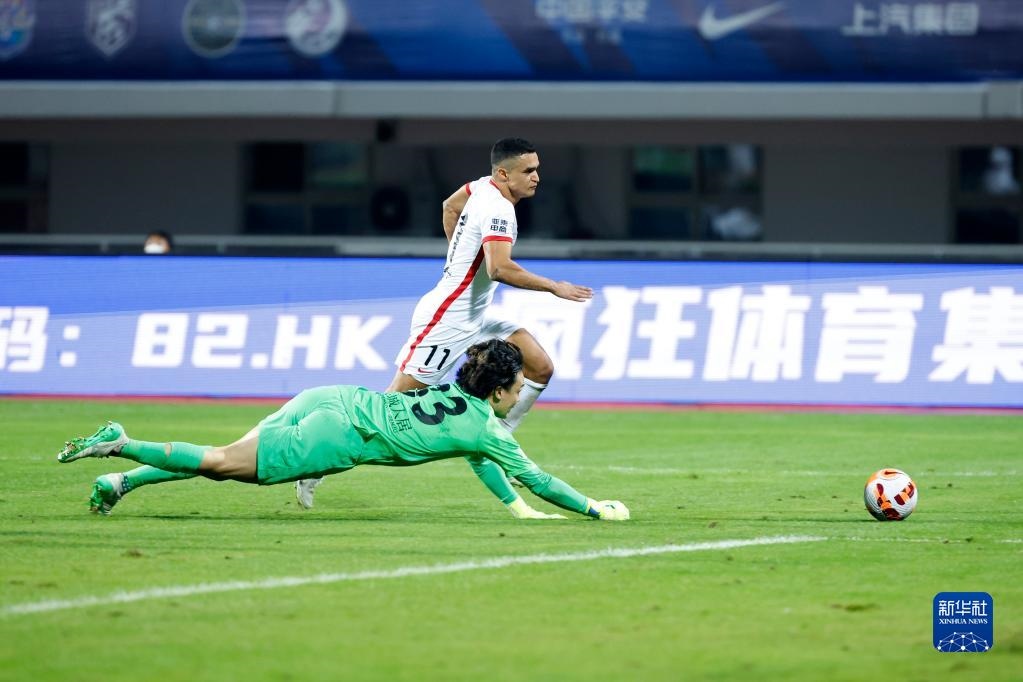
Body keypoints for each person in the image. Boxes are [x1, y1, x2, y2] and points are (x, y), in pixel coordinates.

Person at [295, 137, 594, 509]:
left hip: (476, 312)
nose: (536, 177)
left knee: (539, 365)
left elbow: (449, 206)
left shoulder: (481, 187)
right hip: (449, 318)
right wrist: (553, 287)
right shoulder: (500, 209)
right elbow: (498, 268)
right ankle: (316, 464)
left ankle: (501, 437)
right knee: (388, 410)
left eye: (537, 169)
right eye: (528, 171)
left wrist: (457, 256)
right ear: (504, 174)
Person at [59, 340, 629, 522]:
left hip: (335, 396)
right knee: (220, 463)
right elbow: (539, 479)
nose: (519, 393)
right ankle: (121, 442)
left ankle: (119, 482)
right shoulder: (488, 429)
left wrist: (517, 511)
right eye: (518, 386)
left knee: (226, 455)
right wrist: (594, 509)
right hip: (339, 435)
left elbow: (483, 463)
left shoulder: (453, 394)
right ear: (500, 390)